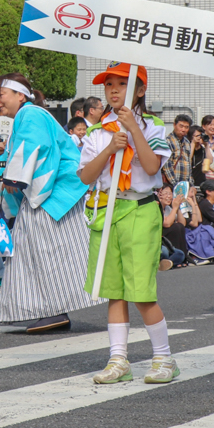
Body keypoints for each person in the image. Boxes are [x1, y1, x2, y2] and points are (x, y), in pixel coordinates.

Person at [80, 63, 177, 384]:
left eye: (122, 84)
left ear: (140, 90)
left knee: (141, 291)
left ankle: (164, 358)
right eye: (109, 84)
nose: (114, 90)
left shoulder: (154, 127)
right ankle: (118, 360)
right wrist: (110, 147)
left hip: (140, 209)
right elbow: (84, 177)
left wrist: (134, 130)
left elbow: (151, 168)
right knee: (114, 292)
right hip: (107, 212)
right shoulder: (96, 131)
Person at [0, 72, 100, 333]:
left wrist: (14, 179)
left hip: (51, 194)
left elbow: (35, 147)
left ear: (20, 95)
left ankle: (53, 311)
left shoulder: (30, 115)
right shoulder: (29, 116)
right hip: (54, 192)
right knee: (47, 253)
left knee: (45, 253)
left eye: (1, 94)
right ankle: (50, 309)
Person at [161, 114, 193, 188]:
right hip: (170, 185)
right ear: (174, 125)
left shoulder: (187, 142)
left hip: (185, 185)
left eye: (186, 127)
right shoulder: (167, 141)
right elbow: (166, 166)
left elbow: (189, 164)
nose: (183, 129)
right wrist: (175, 185)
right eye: (181, 126)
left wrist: (190, 184)